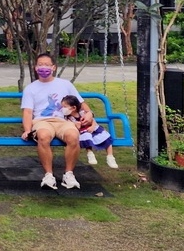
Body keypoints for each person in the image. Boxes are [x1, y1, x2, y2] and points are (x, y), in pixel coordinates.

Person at [20, 52, 95, 190]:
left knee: (73, 136)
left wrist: (89, 113)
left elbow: (80, 103)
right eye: (40, 65)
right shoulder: (31, 88)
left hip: (63, 121)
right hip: (42, 121)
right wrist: (27, 130)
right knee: (43, 136)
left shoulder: (65, 84)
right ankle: (49, 175)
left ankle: (69, 174)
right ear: (35, 68)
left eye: (47, 65)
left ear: (53, 67)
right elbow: (28, 112)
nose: (43, 67)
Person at [61, 95, 118, 169]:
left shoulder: (82, 113)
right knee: (86, 136)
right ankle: (90, 153)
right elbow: (71, 127)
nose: (62, 109)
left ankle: (110, 156)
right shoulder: (68, 118)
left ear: (74, 108)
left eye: (64, 107)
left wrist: (92, 126)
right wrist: (76, 125)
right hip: (82, 132)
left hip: (93, 129)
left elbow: (93, 120)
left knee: (105, 136)